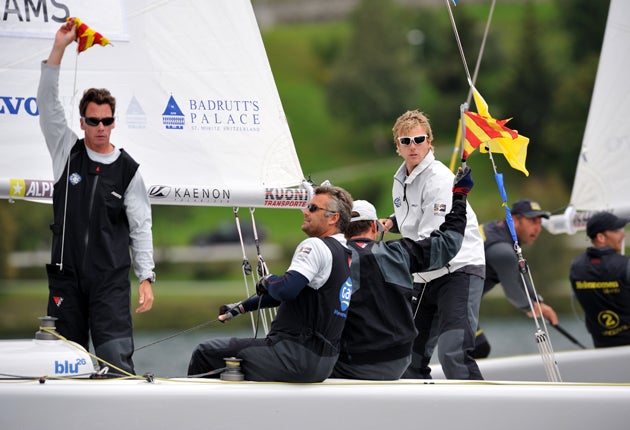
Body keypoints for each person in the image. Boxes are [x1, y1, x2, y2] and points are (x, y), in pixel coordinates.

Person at [37, 21, 156, 375]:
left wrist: (146, 277)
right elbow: (46, 102)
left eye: (107, 120)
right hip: (66, 281)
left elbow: (141, 227)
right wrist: (59, 48)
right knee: (60, 366)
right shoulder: (65, 151)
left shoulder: (129, 171)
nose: (101, 127)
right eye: (93, 120)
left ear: (114, 122)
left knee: (116, 363)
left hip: (109, 284)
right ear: (83, 121)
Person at [188, 185, 354, 382]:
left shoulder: (316, 245)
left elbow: (285, 290)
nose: (304, 211)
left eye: (312, 208)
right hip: (322, 364)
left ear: (333, 217)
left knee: (205, 352)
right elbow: (296, 293)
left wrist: (267, 279)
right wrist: (240, 307)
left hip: (292, 357)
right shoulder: (346, 253)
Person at [331, 167, 473, 380]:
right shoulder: (399, 253)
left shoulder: (331, 257)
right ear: (374, 226)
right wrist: (459, 196)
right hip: (397, 361)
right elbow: (449, 243)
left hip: (352, 361)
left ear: (343, 230)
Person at [381, 110, 485, 380]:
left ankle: (481, 417)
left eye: (418, 139)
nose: (412, 146)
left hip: (459, 268)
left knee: (453, 354)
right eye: (405, 141)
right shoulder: (401, 178)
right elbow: (413, 214)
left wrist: (382, 258)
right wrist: (391, 223)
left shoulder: (439, 179)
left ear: (430, 142)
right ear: (398, 146)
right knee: (406, 359)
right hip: (426, 272)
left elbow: (435, 242)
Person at [474, 199, 559, 358]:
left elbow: (517, 274)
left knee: (477, 348)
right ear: (514, 220)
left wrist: (537, 301)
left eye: (540, 223)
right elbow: (513, 292)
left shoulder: (496, 230)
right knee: (478, 349)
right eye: (532, 221)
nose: (537, 228)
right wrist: (530, 308)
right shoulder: (502, 250)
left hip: (452, 304)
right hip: (446, 305)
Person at [569, 212, 630, 347]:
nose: (623, 234)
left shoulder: (576, 266)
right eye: (616, 231)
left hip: (602, 345)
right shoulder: (625, 265)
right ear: (601, 237)